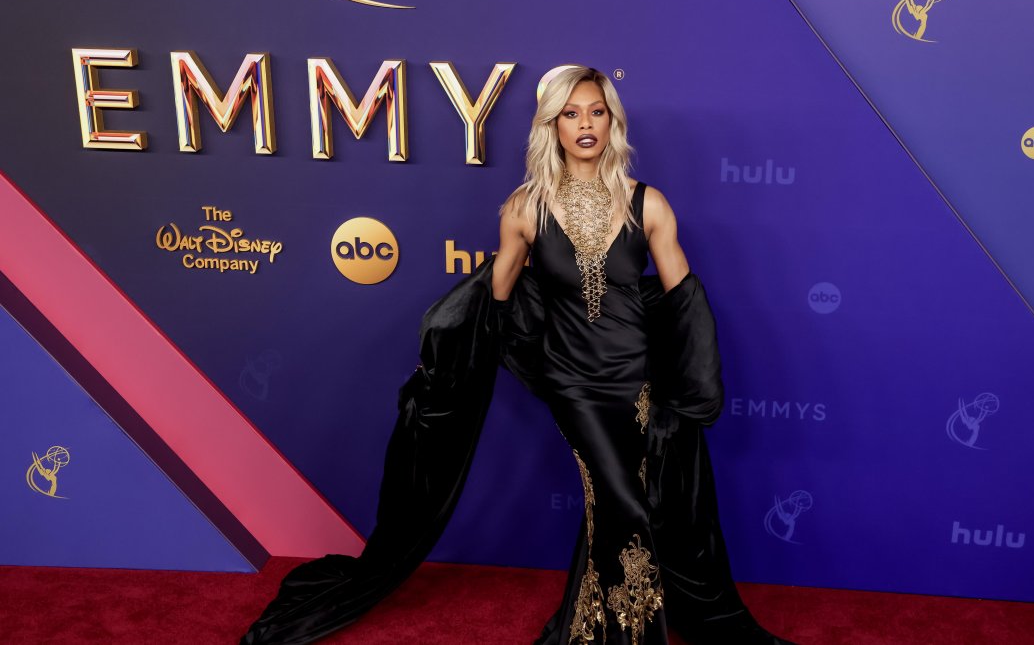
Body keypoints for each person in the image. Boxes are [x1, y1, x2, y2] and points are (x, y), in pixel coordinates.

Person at [242, 67, 791, 645]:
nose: (585, 124)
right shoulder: (525, 209)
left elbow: (683, 302)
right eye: (570, 114)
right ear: (552, 126)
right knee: (623, 502)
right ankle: (629, 634)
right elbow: (493, 299)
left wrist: (690, 389)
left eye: (596, 112)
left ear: (613, 122)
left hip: (638, 379)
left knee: (623, 501)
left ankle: (591, 624)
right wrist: (450, 360)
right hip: (574, 383)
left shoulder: (646, 203)